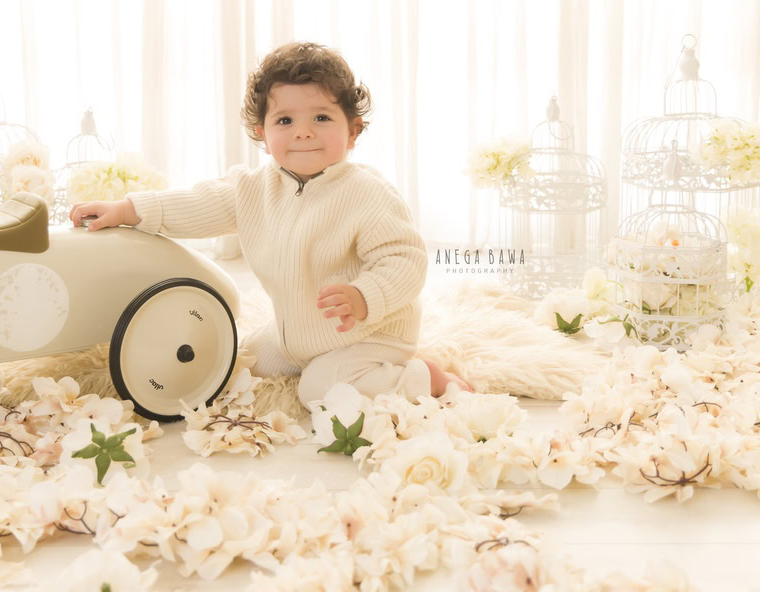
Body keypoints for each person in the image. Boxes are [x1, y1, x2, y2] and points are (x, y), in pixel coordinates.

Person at [68, 41, 472, 406]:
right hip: (297, 335)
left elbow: (405, 260)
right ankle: (308, 359)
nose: (303, 132)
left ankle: (427, 378)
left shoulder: (366, 193)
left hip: (370, 333)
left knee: (321, 389)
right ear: (262, 134)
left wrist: (365, 296)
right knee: (234, 362)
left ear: (352, 132)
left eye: (321, 117)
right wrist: (127, 209)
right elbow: (197, 203)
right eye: (285, 121)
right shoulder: (254, 189)